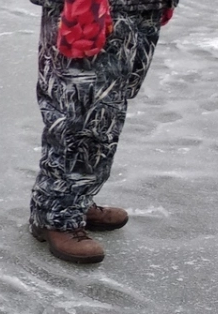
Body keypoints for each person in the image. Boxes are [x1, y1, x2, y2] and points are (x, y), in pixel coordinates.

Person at [27, 0, 178, 263]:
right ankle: (56, 215)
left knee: (108, 113)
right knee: (80, 115)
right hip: (89, 8)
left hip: (138, 9)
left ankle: (77, 200)